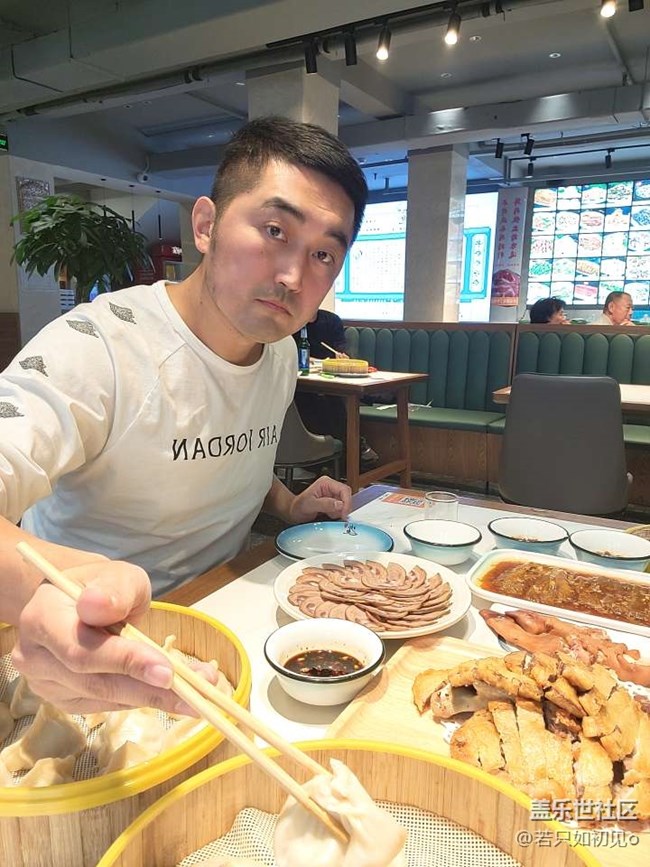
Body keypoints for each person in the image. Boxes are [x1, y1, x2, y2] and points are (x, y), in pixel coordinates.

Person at [1, 115, 368, 713]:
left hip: (222, 620)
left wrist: (288, 505)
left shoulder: (278, 353)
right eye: (275, 230)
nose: (293, 276)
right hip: (82, 659)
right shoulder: (98, 346)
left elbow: (228, 453)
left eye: (324, 253)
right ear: (205, 225)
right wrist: (45, 590)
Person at [292, 308, 379, 466]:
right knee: (311, 399)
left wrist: (342, 356)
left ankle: (342, 456)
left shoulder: (331, 321)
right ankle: (348, 452)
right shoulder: (291, 321)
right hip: (299, 383)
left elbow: (341, 349)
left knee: (330, 399)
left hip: (329, 380)